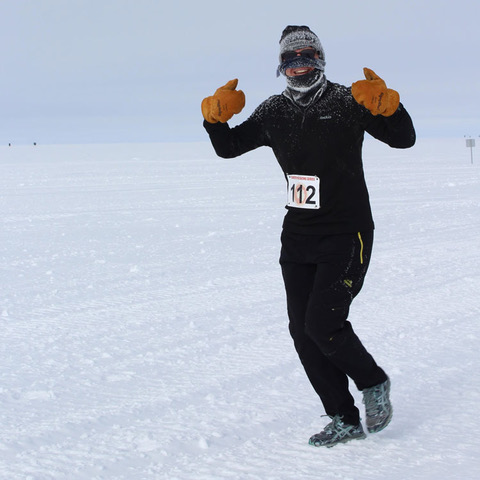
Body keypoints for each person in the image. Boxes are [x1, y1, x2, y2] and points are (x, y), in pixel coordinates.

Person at [201, 25, 415, 448]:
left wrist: (390, 109)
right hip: (297, 237)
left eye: (307, 57)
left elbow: (403, 139)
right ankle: (343, 417)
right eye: (291, 60)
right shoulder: (272, 111)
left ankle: (373, 383)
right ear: (281, 67)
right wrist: (214, 120)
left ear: (320, 60)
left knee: (324, 322)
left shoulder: (349, 101)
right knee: (302, 330)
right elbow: (228, 148)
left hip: (347, 232)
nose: (300, 66)